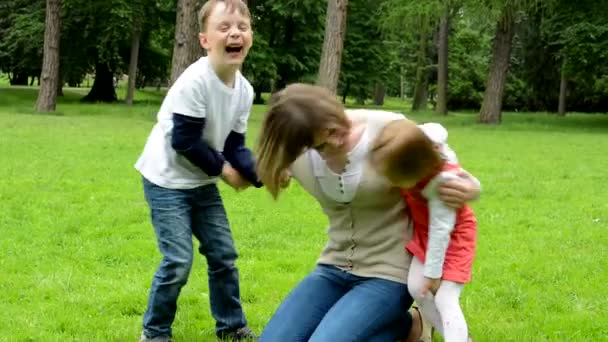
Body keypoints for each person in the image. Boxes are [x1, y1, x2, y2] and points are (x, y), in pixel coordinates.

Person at [254, 83, 481, 342]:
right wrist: (278, 167)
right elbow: (261, 160)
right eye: (322, 143)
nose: (337, 139)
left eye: (335, 128)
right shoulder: (296, 154)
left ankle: (408, 324)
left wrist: (470, 187)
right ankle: (410, 328)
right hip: (332, 266)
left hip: (389, 273)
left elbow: (441, 167)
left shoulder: (389, 131)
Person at [134, 1, 259, 340]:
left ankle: (231, 327)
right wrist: (226, 172)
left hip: (200, 182)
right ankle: (155, 332)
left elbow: (235, 146)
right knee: (177, 261)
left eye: (242, 27)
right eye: (224, 27)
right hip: (166, 180)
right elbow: (185, 141)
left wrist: (261, 174)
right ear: (205, 40)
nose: (235, 32)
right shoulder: (196, 81)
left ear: (250, 37)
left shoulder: (244, 91)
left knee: (223, 255)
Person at [370, 120, 477, 342]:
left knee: (445, 298)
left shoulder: (444, 182)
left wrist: (433, 274)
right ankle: (456, 335)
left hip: (453, 239)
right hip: (425, 235)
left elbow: (441, 230)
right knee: (417, 288)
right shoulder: (411, 164)